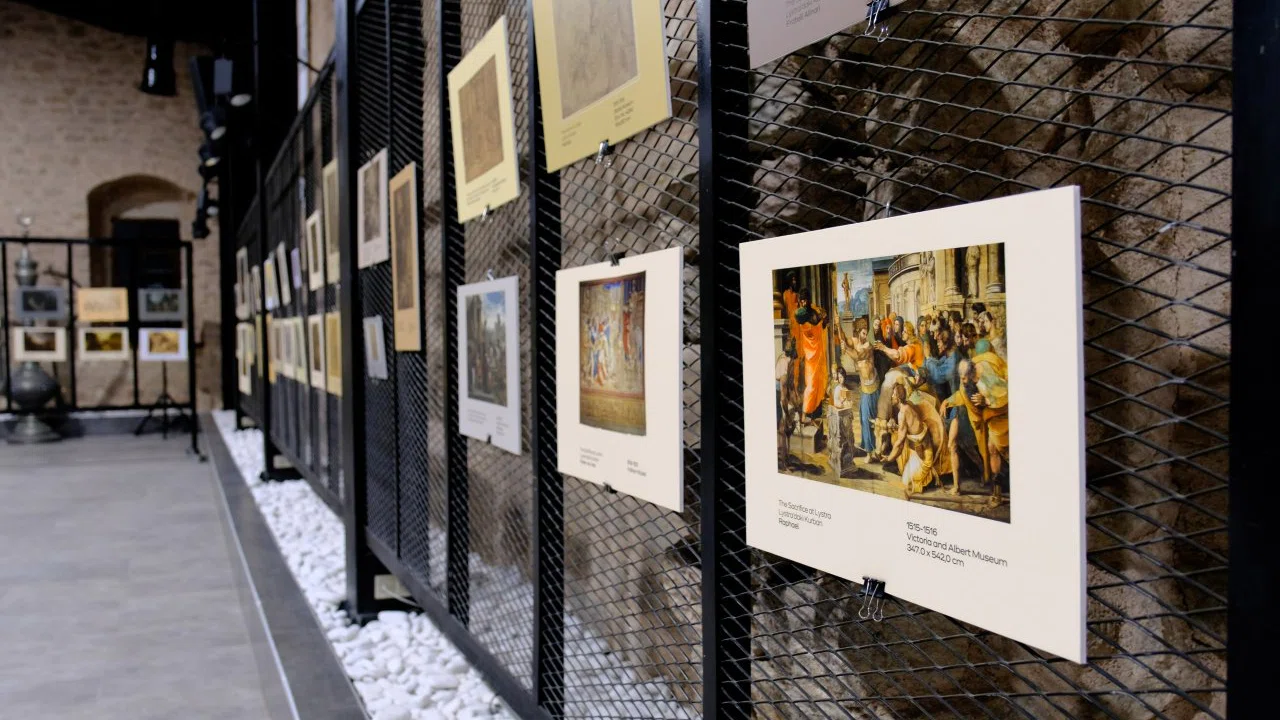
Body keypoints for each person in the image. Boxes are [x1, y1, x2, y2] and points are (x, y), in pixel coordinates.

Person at [940, 353, 1009, 504]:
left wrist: (987, 400)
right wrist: (948, 401)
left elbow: (1007, 394)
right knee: (992, 449)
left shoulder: (987, 376)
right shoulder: (969, 382)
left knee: (1004, 451)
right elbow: (963, 395)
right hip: (991, 420)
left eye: (964, 378)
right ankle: (997, 493)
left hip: (1003, 416)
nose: (962, 381)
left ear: (971, 373)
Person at [883, 383, 947, 498]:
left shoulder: (902, 414)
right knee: (906, 479)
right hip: (920, 448)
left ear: (898, 398)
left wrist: (889, 458)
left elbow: (900, 443)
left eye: (893, 395)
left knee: (908, 481)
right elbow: (911, 426)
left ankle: (927, 478)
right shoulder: (908, 405)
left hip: (923, 454)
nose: (891, 397)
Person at [835, 318, 880, 452]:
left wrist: (846, 349)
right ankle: (866, 445)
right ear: (858, 332)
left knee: (870, 418)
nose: (865, 336)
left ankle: (871, 448)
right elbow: (844, 339)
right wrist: (838, 324)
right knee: (863, 417)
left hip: (872, 387)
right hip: (864, 387)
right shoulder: (855, 341)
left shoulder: (868, 346)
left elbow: (859, 356)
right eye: (863, 333)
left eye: (866, 333)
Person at [792, 288, 829, 418]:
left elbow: (822, 323)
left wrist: (822, 319)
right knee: (811, 384)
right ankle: (806, 412)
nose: (803, 303)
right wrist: (820, 318)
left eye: (804, 300)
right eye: (801, 301)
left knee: (817, 381)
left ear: (808, 300)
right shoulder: (802, 316)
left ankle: (816, 411)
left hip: (817, 352)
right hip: (810, 354)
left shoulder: (813, 311)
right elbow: (816, 324)